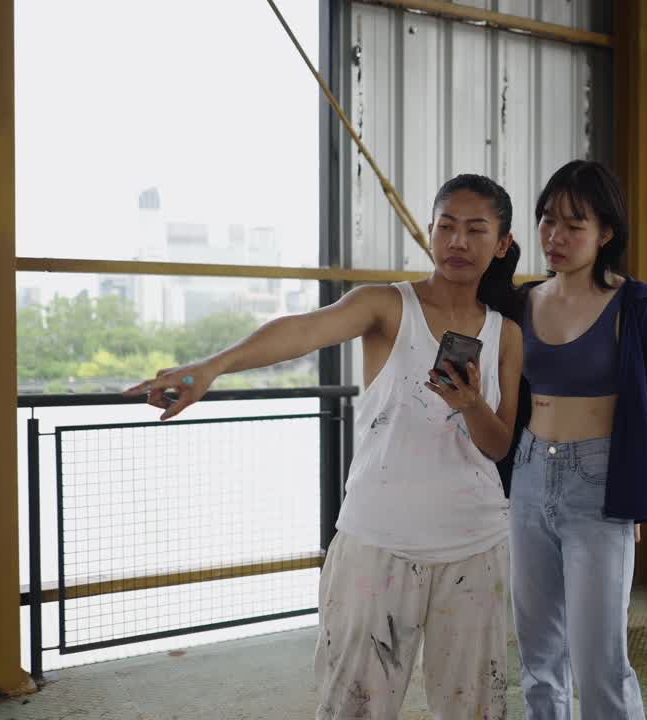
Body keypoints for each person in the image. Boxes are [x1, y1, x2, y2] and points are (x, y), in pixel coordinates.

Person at [125, 174, 524, 720]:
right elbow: (301, 330)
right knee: (353, 706)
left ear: (501, 243)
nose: (458, 241)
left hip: (476, 544)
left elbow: (499, 445)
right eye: (446, 227)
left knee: (476, 707)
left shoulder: (506, 332)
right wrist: (213, 367)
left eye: (476, 230)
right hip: (377, 542)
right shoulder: (386, 306)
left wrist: (471, 404)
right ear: (429, 234)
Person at [509, 159, 647, 720]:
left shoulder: (639, 307)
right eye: (546, 220)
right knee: (539, 658)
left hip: (599, 482)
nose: (554, 237)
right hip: (529, 477)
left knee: (599, 661)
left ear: (606, 233)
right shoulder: (522, 301)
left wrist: (630, 494)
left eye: (573, 225)